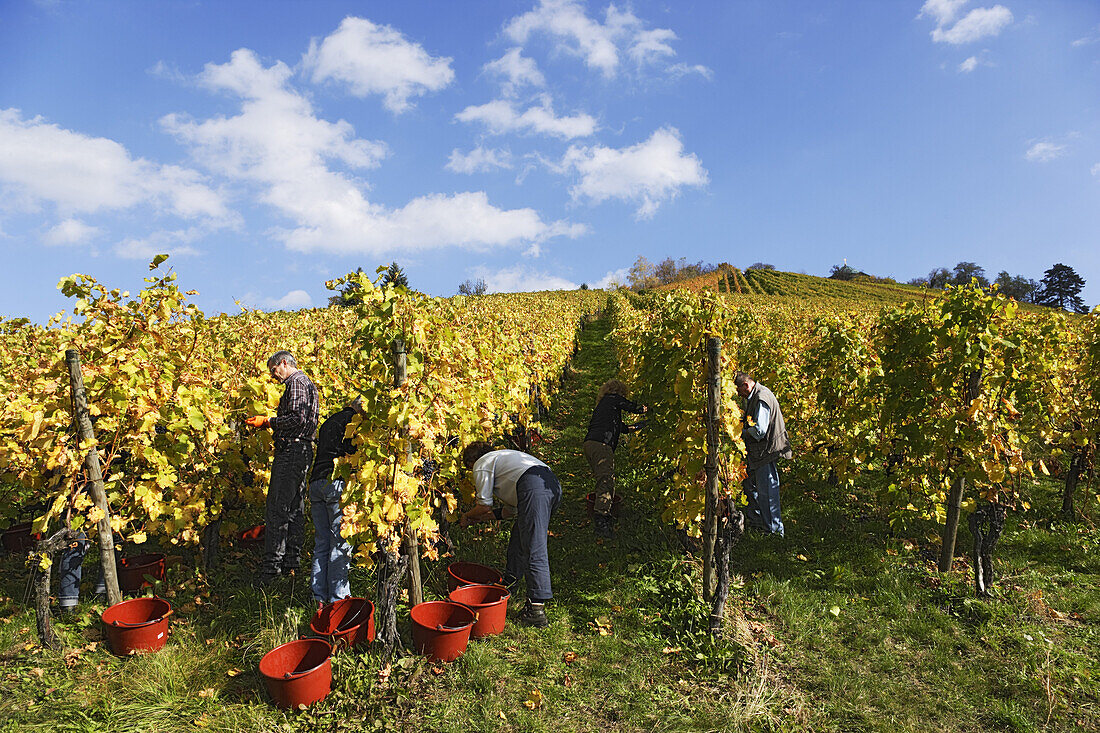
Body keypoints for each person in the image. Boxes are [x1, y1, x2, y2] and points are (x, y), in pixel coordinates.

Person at [459, 442, 562, 628]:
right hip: (550, 484)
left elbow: (484, 506)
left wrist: (467, 516)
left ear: (472, 461)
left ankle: (536, 610)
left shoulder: (482, 462)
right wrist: (480, 519)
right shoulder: (503, 461)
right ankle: (510, 583)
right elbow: (509, 512)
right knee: (519, 538)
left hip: (534, 487)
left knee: (533, 544)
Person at [247, 350, 319, 584]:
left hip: (292, 451)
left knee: (277, 507)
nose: (273, 376)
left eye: (274, 370)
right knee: (294, 507)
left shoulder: (296, 382)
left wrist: (269, 421)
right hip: (303, 449)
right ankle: (291, 563)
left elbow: (297, 419)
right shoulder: (308, 384)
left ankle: (271, 571)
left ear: (284, 363)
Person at [307, 398, 364, 607]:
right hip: (337, 483)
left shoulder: (329, 421)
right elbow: (352, 454)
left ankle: (318, 598)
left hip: (316, 482)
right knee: (340, 544)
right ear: (360, 409)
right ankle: (338, 601)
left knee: (322, 542)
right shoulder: (354, 422)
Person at [583, 379, 646, 539]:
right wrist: (647, 409)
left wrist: (640, 426)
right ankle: (601, 521)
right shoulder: (612, 399)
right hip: (601, 445)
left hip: (590, 444)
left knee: (603, 479)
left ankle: (602, 512)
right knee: (606, 481)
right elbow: (633, 407)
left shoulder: (605, 407)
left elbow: (622, 428)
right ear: (619, 392)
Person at [735, 371, 792, 537]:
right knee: (750, 486)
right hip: (758, 452)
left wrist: (740, 432)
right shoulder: (754, 396)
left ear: (746, 385)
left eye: (739, 390)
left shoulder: (761, 398)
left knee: (767, 491)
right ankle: (759, 523)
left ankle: (774, 532)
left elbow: (760, 431)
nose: (739, 395)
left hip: (766, 452)